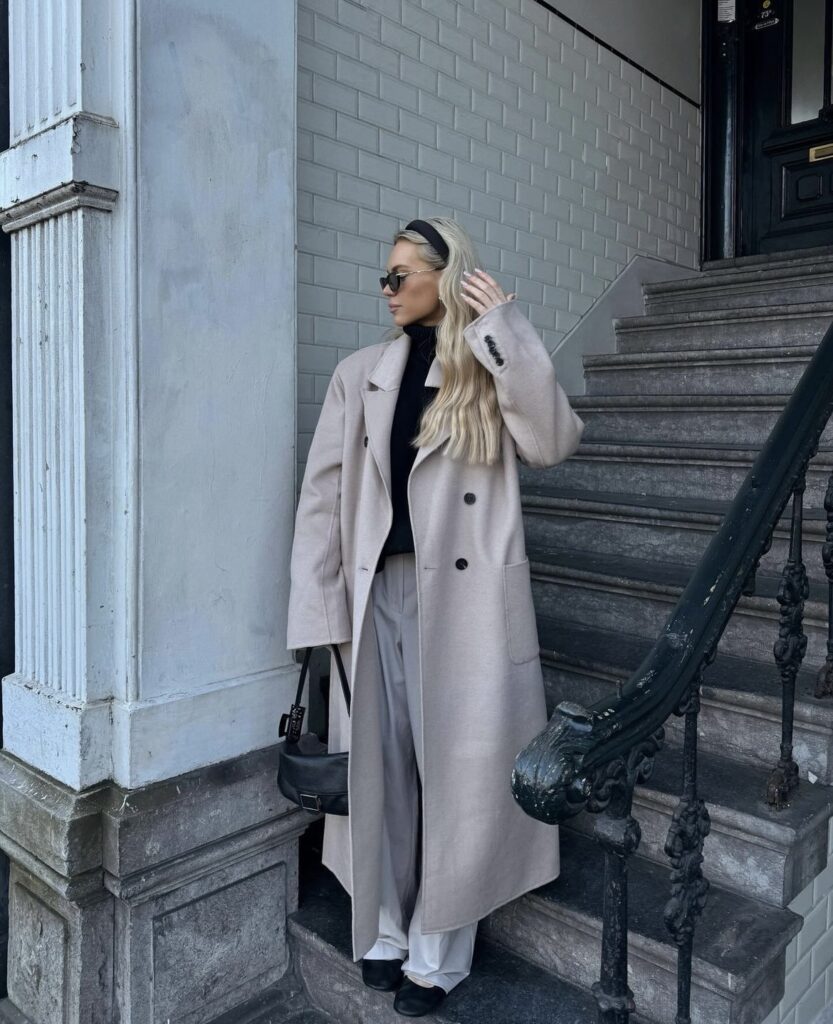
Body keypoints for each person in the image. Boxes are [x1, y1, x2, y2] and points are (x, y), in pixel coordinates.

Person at [286, 216, 584, 1016]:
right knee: (379, 765)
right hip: (373, 594)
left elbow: (553, 440)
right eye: (384, 277)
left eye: (397, 276)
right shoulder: (359, 373)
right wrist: (316, 614)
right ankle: (383, 928)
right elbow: (324, 499)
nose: (385, 291)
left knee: (456, 772)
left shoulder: (486, 365)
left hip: (467, 605)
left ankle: (439, 950)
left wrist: (504, 331)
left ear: (441, 278)